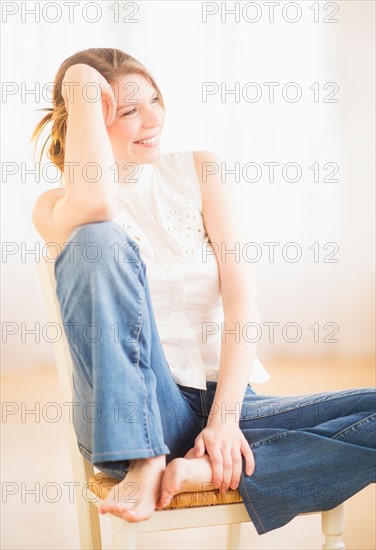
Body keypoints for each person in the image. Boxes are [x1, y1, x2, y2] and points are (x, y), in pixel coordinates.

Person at [31, 48, 375, 535]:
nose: (153, 118)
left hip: (225, 404)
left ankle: (205, 466)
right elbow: (97, 201)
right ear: (86, 118)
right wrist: (81, 81)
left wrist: (224, 423)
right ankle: (144, 456)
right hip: (131, 414)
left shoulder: (199, 170)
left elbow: (242, 304)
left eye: (155, 99)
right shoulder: (58, 206)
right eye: (128, 110)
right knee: (97, 238)